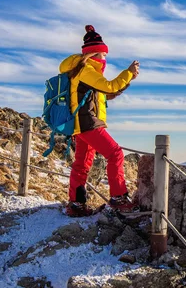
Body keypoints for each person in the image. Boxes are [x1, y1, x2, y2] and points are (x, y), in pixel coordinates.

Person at [60, 25, 140, 217]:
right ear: (95, 54)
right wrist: (127, 72)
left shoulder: (83, 72)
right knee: (115, 154)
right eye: (104, 55)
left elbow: (105, 95)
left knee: (82, 164)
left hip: (81, 125)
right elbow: (110, 87)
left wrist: (127, 81)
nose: (105, 59)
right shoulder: (85, 70)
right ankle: (118, 198)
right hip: (88, 123)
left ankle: (76, 205)